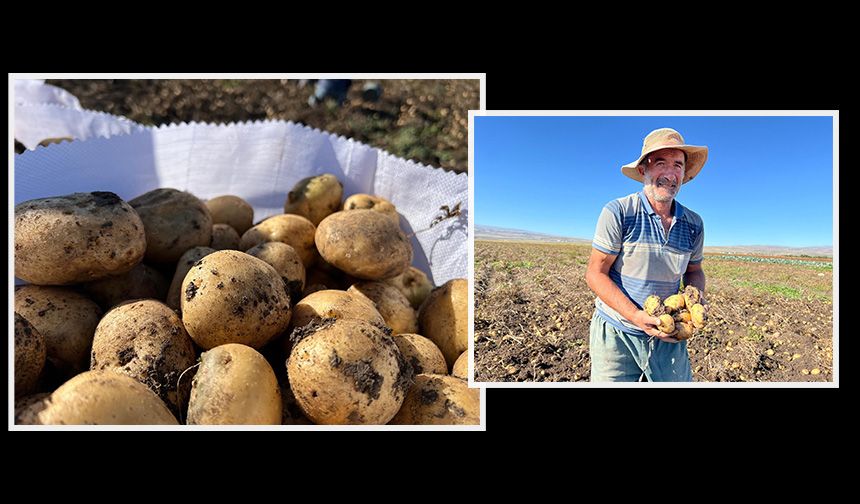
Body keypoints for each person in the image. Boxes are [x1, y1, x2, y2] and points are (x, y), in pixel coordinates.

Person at [585, 127, 708, 382]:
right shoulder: (619, 212)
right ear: (643, 170)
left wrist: (694, 299)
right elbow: (595, 274)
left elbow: (694, 271)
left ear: (684, 174)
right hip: (617, 333)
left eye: (677, 165)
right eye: (660, 162)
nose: (669, 173)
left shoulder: (694, 223)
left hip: (669, 334)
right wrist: (636, 316)